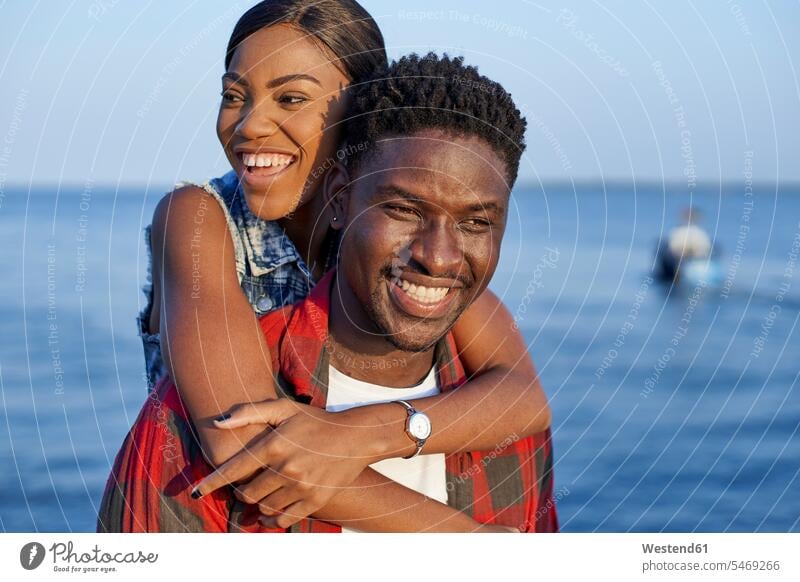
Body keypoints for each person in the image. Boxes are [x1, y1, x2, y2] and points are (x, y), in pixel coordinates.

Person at [129, 0, 551, 527]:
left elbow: (523, 398)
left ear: (360, 110)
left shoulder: (389, 233)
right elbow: (242, 442)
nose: (250, 125)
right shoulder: (196, 217)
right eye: (234, 95)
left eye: (291, 98)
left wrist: (364, 431)